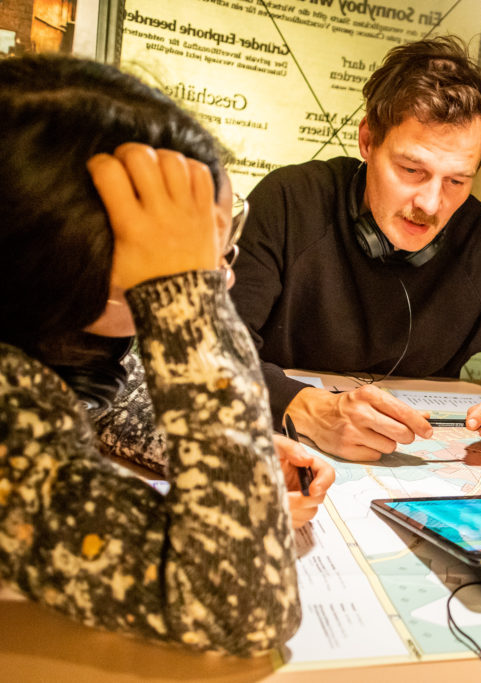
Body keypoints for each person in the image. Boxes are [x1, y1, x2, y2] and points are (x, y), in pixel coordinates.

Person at [0, 54, 303, 654]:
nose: (224, 280)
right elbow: (241, 606)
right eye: (195, 262)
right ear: (67, 265)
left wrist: (235, 450)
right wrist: (186, 304)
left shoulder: (49, 335)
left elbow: (115, 394)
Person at [231, 36, 481, 461]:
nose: (430, 204)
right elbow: (209, 348)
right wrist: (305, 409)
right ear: (368, 141)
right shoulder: (290, 201)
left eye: (456, 181)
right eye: (412, 169)